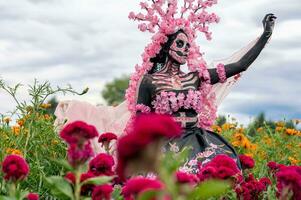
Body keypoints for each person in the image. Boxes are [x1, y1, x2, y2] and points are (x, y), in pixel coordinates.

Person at [55, 0, 276, 173]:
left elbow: (240, 65)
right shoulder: (149, 81)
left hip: (198, 141)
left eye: (187, 45)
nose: (183, 49)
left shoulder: (196, 78)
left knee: (221, 170)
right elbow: (141, 122)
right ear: (166, 45)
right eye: (179, 43)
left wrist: (265, 36)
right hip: (163, 145)